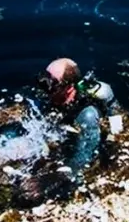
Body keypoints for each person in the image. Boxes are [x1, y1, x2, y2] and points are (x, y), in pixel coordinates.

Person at [18, 57, 118, 203]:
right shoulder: (52, 97)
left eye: (51, 83)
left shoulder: (87, 115)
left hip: (85, 138)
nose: (45, 88)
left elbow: (85, 155)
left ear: (69, 87)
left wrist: (52, 179)